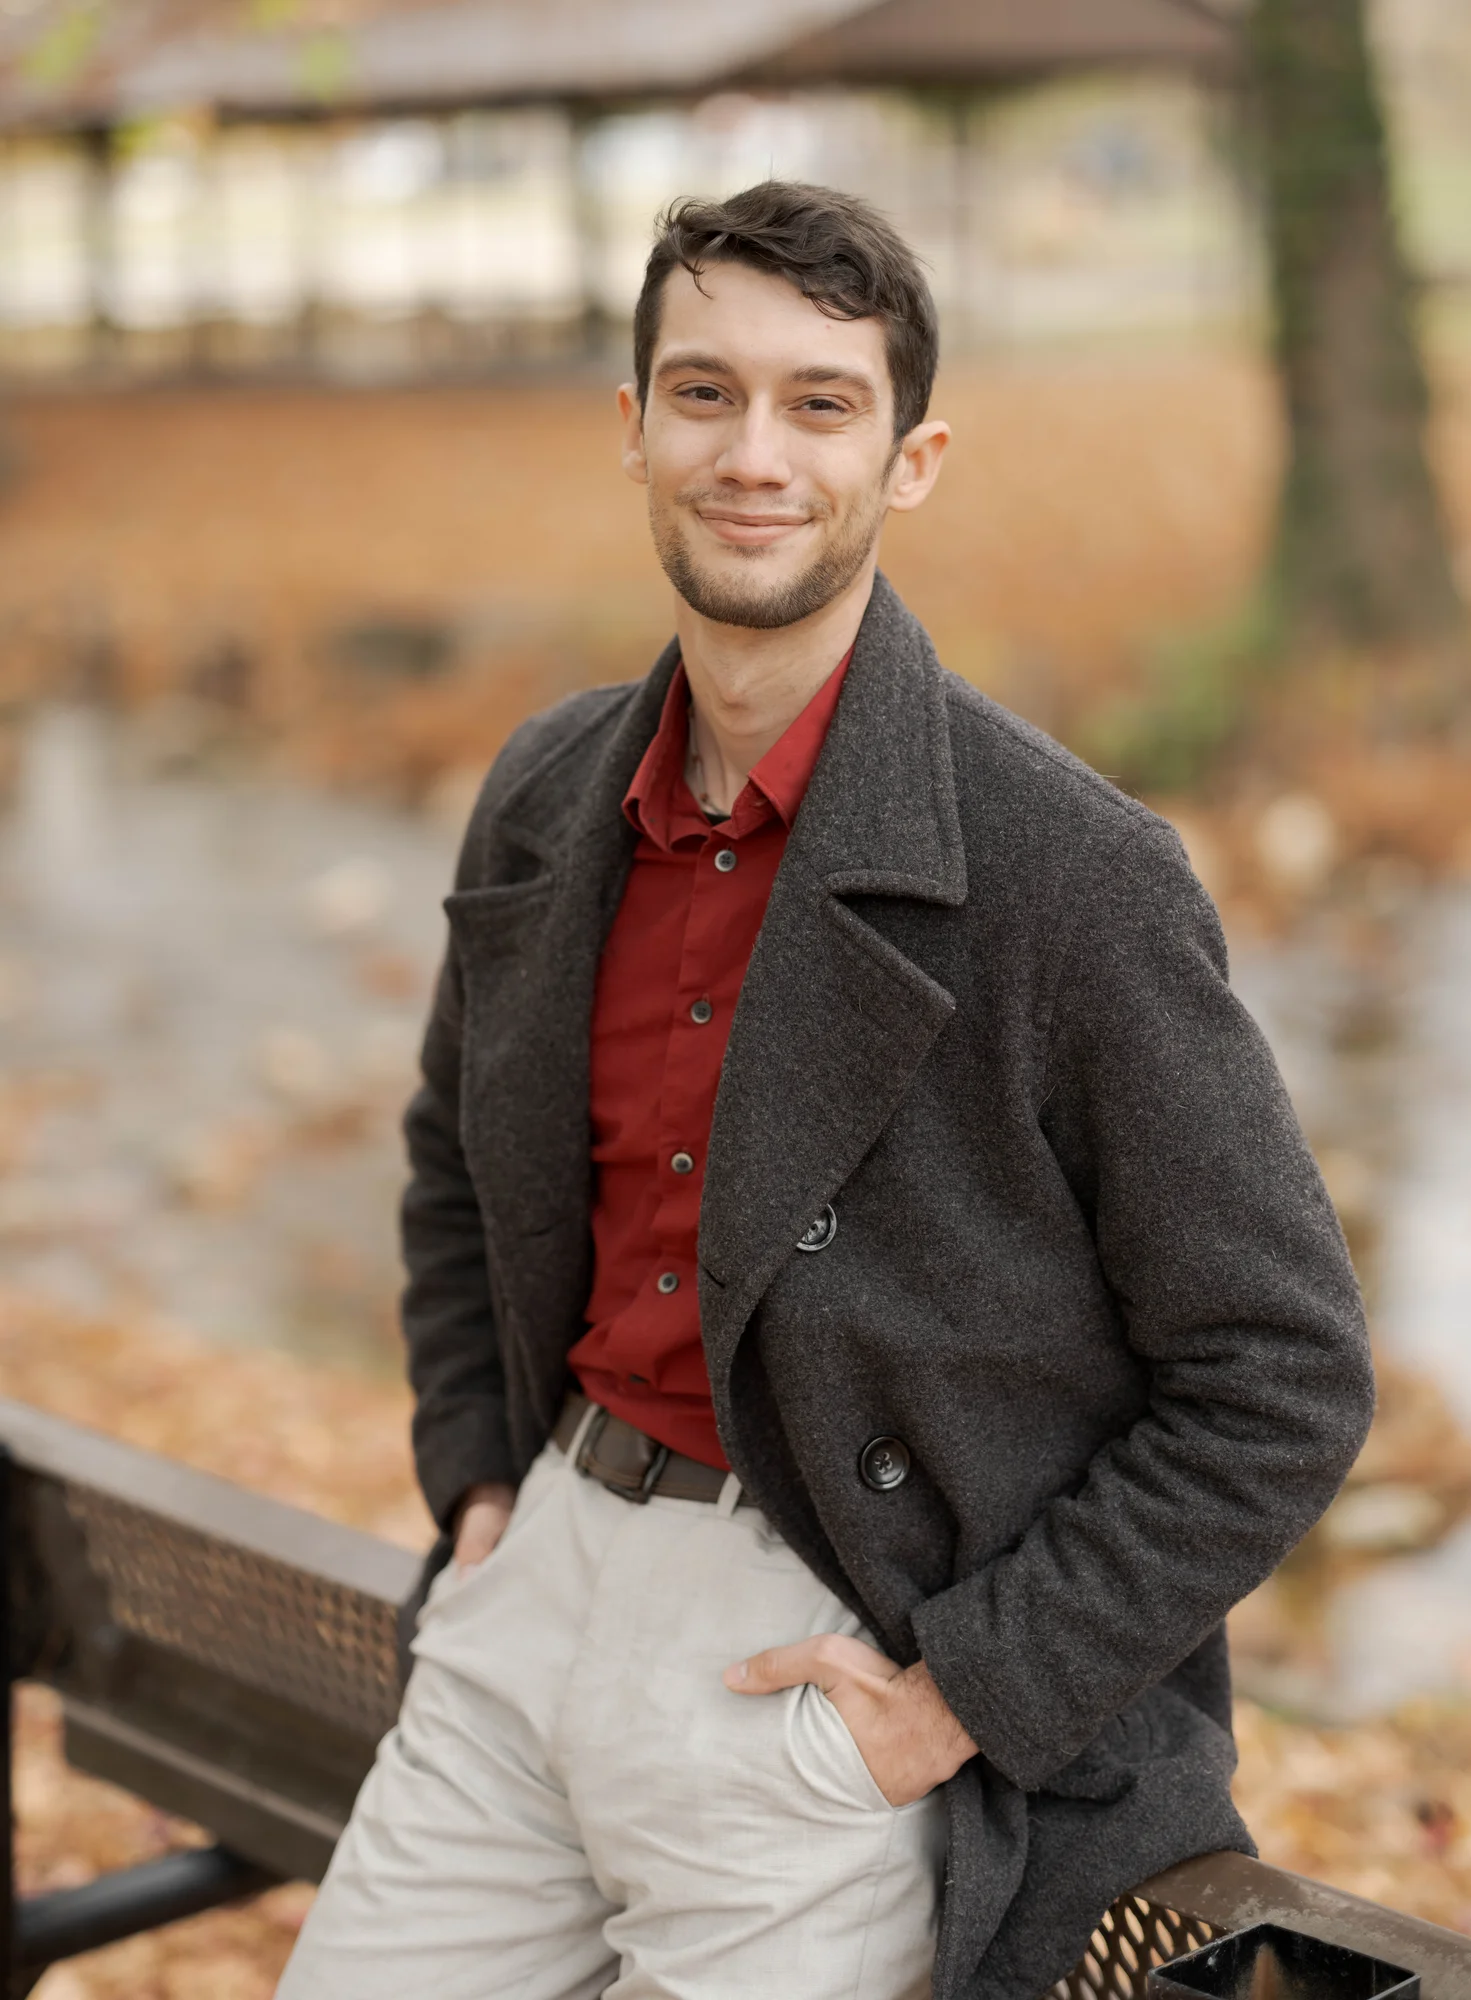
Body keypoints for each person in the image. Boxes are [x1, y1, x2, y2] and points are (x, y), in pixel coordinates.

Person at [278, 181, 1372, 2000]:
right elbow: (452, 1162)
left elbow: (1283, 1373)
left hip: (824, 1656)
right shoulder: (553, 789)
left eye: (821, 402)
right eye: (702, 394)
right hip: (534, 1580)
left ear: (913, 458)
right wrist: (476, 1474)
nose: (753, 453)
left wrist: (957, 1696)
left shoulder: (1068, 875)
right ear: (632, 430)